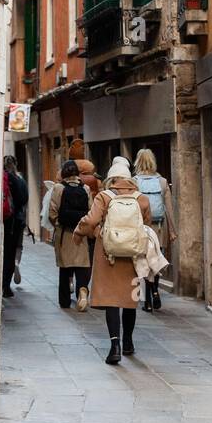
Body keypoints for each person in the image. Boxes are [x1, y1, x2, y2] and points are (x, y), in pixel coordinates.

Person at [73, 154, 152, 363]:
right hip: (133, 255)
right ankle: (128, 342)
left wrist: (85, 233)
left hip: (108, 254)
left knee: (111, 301)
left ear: (110, 179)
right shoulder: (142, 199)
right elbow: (146, 225)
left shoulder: (104, 197)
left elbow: (90, 221)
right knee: (129, 300)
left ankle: (114, 345)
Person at [133, 148, 176, 312]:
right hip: (160, 227)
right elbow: (169, 209)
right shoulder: (163, 182)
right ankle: (156, 291)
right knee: (156, 259)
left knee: (144, 261)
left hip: (142, 227)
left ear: (138, 161)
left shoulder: (134, 182)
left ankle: (148, 300)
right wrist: (172, 230)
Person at [49, 160, 92, 311]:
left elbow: (52, 212)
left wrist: (58, 225)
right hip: (81, 234)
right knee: (81, 265)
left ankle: (65, 300)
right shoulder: (85, 189)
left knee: (65, 267)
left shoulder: (58, 188)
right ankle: (82, 290)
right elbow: (90, 212)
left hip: (64, 233)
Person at [1, 155, 27, 298]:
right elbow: (24, 200)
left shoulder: (1, 178)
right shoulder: (20, 180)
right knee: (11, 253)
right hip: (16, 222)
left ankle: (0, 282)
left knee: (2, 252)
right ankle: (6, 286)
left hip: (2, 221)